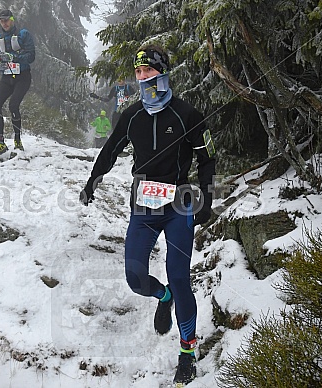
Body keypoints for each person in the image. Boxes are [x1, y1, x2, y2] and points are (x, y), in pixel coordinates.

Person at [80, 44, 216, 386]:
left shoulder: (188, 114)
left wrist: (207, 200)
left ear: (163, 72)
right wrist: (91, 182)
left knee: (180, 276)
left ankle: (187, 352)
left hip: (179, 205)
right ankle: (163, 296)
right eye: (138, 73)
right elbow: (109, 151)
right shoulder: (131, 116)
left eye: (149, 71)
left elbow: (207, 158)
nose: (143, 78)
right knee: (135, 279)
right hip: (142, 206)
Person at [0, 9, 35, 156]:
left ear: (12, 19)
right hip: (7, 77)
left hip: (23, 76)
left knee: (13, 105)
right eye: (2, 21)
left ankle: (17, 139)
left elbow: (31, 56)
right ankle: (0, 143)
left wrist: (14, 57)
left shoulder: (23, 34)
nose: (4, 23)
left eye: (6, 20)